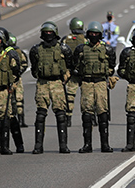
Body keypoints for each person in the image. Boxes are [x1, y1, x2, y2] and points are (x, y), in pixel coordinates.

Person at [72, 21, 117, 153]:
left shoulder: (107, 49)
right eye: (91, 33)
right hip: (86, 83)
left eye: (96, 34)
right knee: (86, 114)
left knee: (103, 113)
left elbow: (111, 66)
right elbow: (76, 66)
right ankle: (87, 144)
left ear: (100, 35)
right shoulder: (81, 49)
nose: (93, 35)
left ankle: (105, 144)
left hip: (101, 83)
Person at [29, 21, 73, 154]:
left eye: (50, 32)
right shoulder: (36, 50)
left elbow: (71, 65)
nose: (48, 35)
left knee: (61, 115)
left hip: (57, 83)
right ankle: (38, 145)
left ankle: (63, 145)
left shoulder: (63, 49)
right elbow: (34, 67)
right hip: (42, 83)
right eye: (46, 32)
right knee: (40, 115)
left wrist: (65, 78)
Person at [60, 17, 86, 126]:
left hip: (70, 72)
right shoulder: (85, 39)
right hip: (84, 72)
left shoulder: (66, 39)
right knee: (87, 96)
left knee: (70, 96)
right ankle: (91, 117)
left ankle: (68, 117)